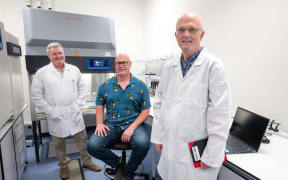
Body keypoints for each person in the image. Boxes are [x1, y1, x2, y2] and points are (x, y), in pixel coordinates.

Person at [151, 13, 232, 180]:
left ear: (201, 34)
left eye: (192, 30)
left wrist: (212, 154)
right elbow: (159, 104)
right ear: (176, 35)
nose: (186, 34)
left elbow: (220, 114)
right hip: (171, 147)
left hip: (198, 154)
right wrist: (158, 137)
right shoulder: (168, 66)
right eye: (181, 30)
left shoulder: (213, 66)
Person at [30, 42, 101, 179]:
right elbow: (36, 96)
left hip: (74, 113)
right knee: (59, 144)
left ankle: (87, 162)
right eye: (54, 54)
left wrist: (77, 105)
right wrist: (50, 111)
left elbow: (82, 89)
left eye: (60, 53)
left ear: (63, 54)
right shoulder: (42, 73)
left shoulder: (74, 69)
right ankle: (63, 166)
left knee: (82, 140)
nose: (58, 56)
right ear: (49, 56)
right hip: (56, 115)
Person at [87, 53, 151, 180]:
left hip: (133, 124)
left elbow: (146, 110)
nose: (122, 65)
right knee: (92, 146)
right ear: (115, 65)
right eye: (119, 63)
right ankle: (118, 163)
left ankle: (128, 170)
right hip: (111, 124)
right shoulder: (105, 86)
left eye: (124, 62)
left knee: (143, 144)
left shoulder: (140, 86)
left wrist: (132, 128)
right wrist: (99, 123)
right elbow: (99, 104)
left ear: (130, 64)